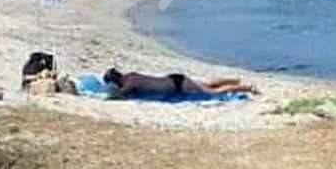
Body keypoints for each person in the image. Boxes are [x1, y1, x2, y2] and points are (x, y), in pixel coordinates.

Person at [103, 68, 257, 99]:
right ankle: (234, 80)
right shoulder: (131, 75)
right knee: (208, 84)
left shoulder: (130, 83)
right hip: (173, 79)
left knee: (211, 93)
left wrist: (109, 93)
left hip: (177, 85)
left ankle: (247, 87)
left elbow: (118, 95)